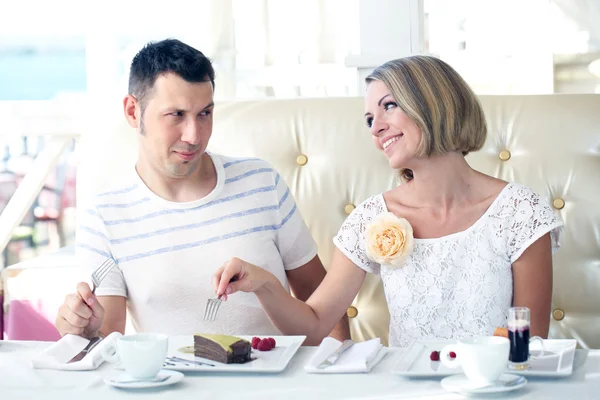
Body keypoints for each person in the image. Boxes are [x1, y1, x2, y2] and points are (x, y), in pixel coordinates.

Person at [213, 55, 563, 347]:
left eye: (389, 107)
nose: (375, 127)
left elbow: (530, 345)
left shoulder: (520, 212)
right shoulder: (371, 219)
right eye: (369, 119)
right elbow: (316, 324)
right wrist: (266, 286)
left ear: (434, 103)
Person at [54, 39, 349, 343]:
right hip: (171, 388)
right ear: (132, 111)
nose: (194, 136)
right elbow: (107, 338)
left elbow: (324, 304)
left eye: (205, 113)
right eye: (176, 115)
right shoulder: (105, 215)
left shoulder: (262, 183)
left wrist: (339, 378)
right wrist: (82, 333)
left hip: (275, 384)